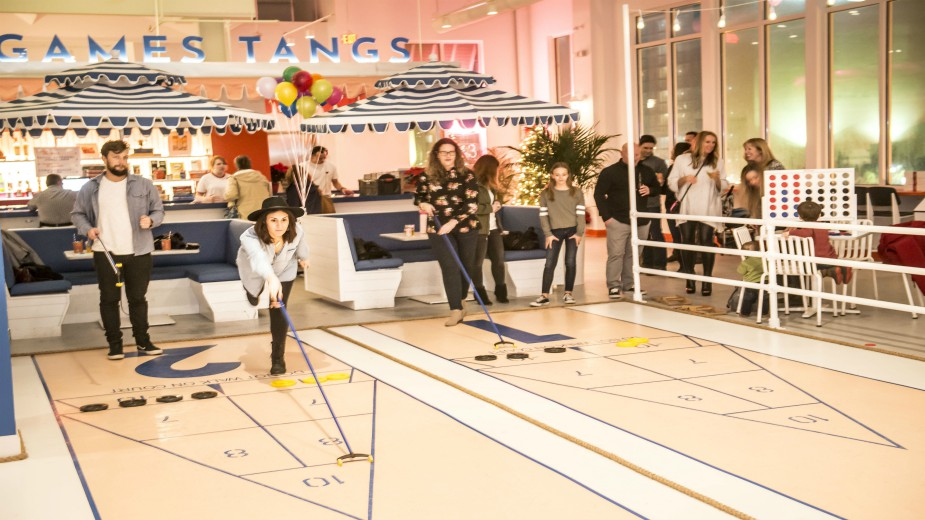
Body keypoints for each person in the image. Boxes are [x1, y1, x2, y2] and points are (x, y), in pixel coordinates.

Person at [71, 140, 165, 360]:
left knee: (138, 299)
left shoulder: (144, 184)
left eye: (124, 157)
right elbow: (77, 214)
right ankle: (115, 345)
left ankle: (143, 341)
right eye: (115, 157)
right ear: (104, 159)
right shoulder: (90, 187)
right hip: (105, 251)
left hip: (139, 250)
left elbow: (159, 211)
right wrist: (88, 229)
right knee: (109, 299)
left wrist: (151, 221)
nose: (121, 162)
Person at [237, 197, 309, 375]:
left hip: (285, 269)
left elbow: (301, 246)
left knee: (278, 308)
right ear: (264, 221)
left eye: (284, 219)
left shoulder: (297, 230)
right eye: (273, 220)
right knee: (254, 294)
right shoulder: (249, 237)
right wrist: (270, 278)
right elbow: (258, 259)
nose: (280, 225)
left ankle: (277, 357)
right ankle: (252, 292)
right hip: (254, 270)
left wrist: (304, 258)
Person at [415, 138, 480, 326]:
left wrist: (453, 222)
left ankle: (460, 299)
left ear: (457, 155)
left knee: (467, 266)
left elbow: (472, 204)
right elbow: (419, 197)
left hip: (466, 225)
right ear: (437, 155)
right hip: (438, 228)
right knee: (450, 266)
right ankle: (455, 310)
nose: (448, 156)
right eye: (444, 152)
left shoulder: (467, 175)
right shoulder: (426, 176)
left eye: (451, 152)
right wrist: (423, 203)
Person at [594, 142, 660, 300]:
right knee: (616, 254)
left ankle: (629, 284)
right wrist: (607, 218)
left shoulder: (646, 171)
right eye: (631, 154)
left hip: (642, 220)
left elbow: (657, 188)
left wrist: (650, 190)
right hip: (617, 220)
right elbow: (599, 195)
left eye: (638, 154)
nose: (636, 157)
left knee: (634, 254)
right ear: (622, 153)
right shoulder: (610, 172)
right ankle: (614, 286)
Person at [667, 130, 726, 296]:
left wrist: (716, 179)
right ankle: (689, 278)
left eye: (713, 142)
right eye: (707, 141)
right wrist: (684, 179)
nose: (710, 145)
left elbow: (724, 183)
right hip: (688, 206)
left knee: (707, 242)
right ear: (699, 142)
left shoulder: (717, 161)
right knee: (687, 241)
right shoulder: (682, 159)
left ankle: (707, 281)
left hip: (709, 206)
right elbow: (671, 182)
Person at [531, 162, 585, 307]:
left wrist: (579, 233)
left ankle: (568, 293)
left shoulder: (577, 192)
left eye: (564, 174)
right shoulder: (546, 193)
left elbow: (581, 214)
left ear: (568, 175)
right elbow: (543, 216)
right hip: (554, 233)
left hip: (573, 231)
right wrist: (548, 234)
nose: (561, 177)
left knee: (570, 262)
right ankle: (544, 295)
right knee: (549, 263)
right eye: (557, 175)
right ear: (552, 176)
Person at [472, 155, 509, 305]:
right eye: (497, 168)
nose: (498, 171)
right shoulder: (473, 185)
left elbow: (493, 202)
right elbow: (471, 208)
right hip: (480, 229)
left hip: (494, 228)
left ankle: (501, 291)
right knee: (477, 263)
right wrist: (490, 208)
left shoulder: (492, 186)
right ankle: (479, 293)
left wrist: (497, 202)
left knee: (499, 261)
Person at [787, 200, 852, 285]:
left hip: (817, 261)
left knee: (801, 266)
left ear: (799, 216)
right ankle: (840, 267)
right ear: (819, 215)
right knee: (822, 265)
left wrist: (789, 233)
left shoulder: (807, 227)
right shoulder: (823, 226)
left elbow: (806, 233)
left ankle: (828, 272)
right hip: (831, 258)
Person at [639, 134, 668, 270]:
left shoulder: (659, 162)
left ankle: (660, 263)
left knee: (656, 232)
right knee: (643, 233)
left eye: (651, 148)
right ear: (639, 146)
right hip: (638, 204)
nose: (649, 150)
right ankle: (647, 262)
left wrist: (659, 181)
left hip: (653, 203)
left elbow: (663, 184)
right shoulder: (635, 161)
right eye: (646, 148)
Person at [664, 141, 692, 267]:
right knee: (682, 238)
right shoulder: (679, 167)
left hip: (676, 207)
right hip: (676, 206)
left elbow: (668, 188)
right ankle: (685, 265)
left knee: (681, 237)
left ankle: (685, 266)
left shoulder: (676, 168)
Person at [306, 146, 353, 213]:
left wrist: (342, 189)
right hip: (310, 200)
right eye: (320, 158)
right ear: (312, 156)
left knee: (329, 219)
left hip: (326, 198)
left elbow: (335, 182)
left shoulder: (331, 166)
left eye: (324, 158)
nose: (322, 160)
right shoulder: (303, 167)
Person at [225, 155, 271, 220]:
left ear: (237, 165)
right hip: (262, 212)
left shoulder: (234, 178)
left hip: (245, 213)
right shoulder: (262, 177)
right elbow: (270, 194)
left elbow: (231, 195)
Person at [735, 241, 765, 316]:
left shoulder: (746, 262)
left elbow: (740, 271)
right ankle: (764, 311)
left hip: (751, 282)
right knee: (764, 298)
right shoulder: (764, 259)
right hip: (764, 281)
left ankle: (745, 313)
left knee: (748, 298)